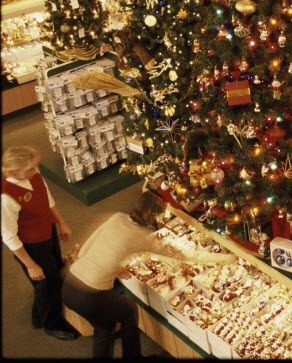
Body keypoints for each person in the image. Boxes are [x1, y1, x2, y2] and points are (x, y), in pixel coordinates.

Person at [61, 191, 233, 358]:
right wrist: (228, 258)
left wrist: (113, 267)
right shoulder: (140, 236)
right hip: (92, 295)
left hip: (69, 286)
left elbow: (84, 251)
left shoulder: (117, 217)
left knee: (104, 328)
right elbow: (185, 255)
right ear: (153, 214)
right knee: (128, 311)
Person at [2, 145, 79, 341]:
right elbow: (9, 236)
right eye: (30, 169)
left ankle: (38, 314)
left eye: (35, 166)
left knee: (56, 270)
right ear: (12, 172)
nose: (36, 171)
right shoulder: (6, 197)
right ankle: (51, 324)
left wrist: (61, 223)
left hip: (47, 232)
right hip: (31, 246)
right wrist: (31, 265)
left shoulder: (32, 175)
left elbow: (47, 199)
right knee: (46, 283)